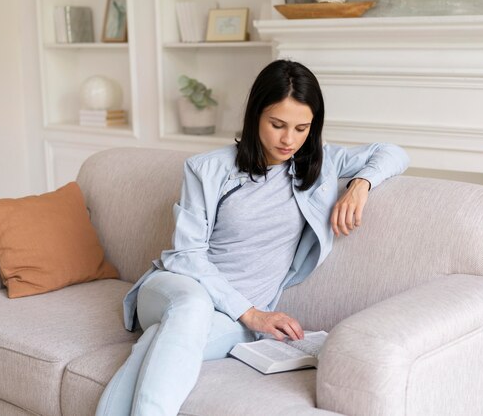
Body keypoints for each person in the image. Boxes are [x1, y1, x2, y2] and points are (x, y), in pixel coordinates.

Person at [95, 59, 409, 416]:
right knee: (191, 308)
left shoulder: (321, 164)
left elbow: (393, 152)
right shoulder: (208, 169)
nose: (289, 139)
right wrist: (251, 314)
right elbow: (186, 255)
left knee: (156, 343)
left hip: (234, 319)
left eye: (301, 127)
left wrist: (360, 185)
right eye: (277, 125)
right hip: (178, 289)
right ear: (256, 116)